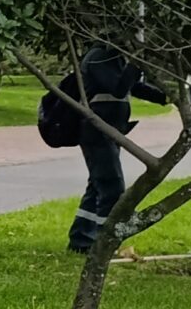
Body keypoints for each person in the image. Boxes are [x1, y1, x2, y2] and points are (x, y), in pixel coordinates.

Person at [65, 43, 169, 255]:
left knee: (98, 184)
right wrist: (135, 63)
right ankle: (106, 242)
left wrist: (164, 96)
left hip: (111, 131)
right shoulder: (98, 57)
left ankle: (81, 239)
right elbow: (119, 87)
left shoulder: (114, 59)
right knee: (111, 186)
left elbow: (132, 86)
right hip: (96, 132)